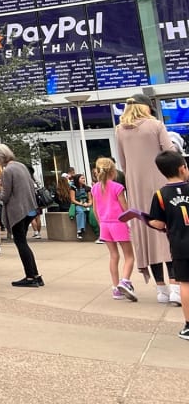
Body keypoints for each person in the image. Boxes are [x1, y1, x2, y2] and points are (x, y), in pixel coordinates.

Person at [115, 93, 181, 306]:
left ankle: (161, 289)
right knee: (167, 234)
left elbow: (123, 163)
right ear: (146, 107)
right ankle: (175, 287)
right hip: (160, 182)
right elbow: (170, 154)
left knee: (146, 236)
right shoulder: (155, 125)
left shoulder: (120, 130)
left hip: (136, 188)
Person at [145, 150, 189, 339]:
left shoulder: (160, 195)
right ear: (182, 168)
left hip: (180, 246)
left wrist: (147, 220)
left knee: (185, 284)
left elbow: (159, 223)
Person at [0, 144, 43, 288]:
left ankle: (30, 276)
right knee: (23, 242)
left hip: (18, 212)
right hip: (29, 208)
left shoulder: (7, 170)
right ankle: (35, 275)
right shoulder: (21, 166)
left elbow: (4, 196)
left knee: (21, 243)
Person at [90, 157, 136, 301]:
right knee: (129, 256)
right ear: (113, 172)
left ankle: (116, 288)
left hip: (105, 224)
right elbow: (125, 208)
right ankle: (125, 281)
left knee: (113, 256)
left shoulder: (94, 188)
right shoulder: (117, 187)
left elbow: (95, 210)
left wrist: (101, 223)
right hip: (119, 223)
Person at [68, 174, 92, 241]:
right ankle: (80, 230)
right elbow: (72, 199)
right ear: (77, 179)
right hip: (77, 204)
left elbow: (90, 199)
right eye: (82, 178)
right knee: (81, 212)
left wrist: (88, 203)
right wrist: (80, 204)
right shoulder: (73, 188)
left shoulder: (87, 188)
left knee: (91, 213)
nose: (84, 179)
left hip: (86, 204)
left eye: (84, 178)